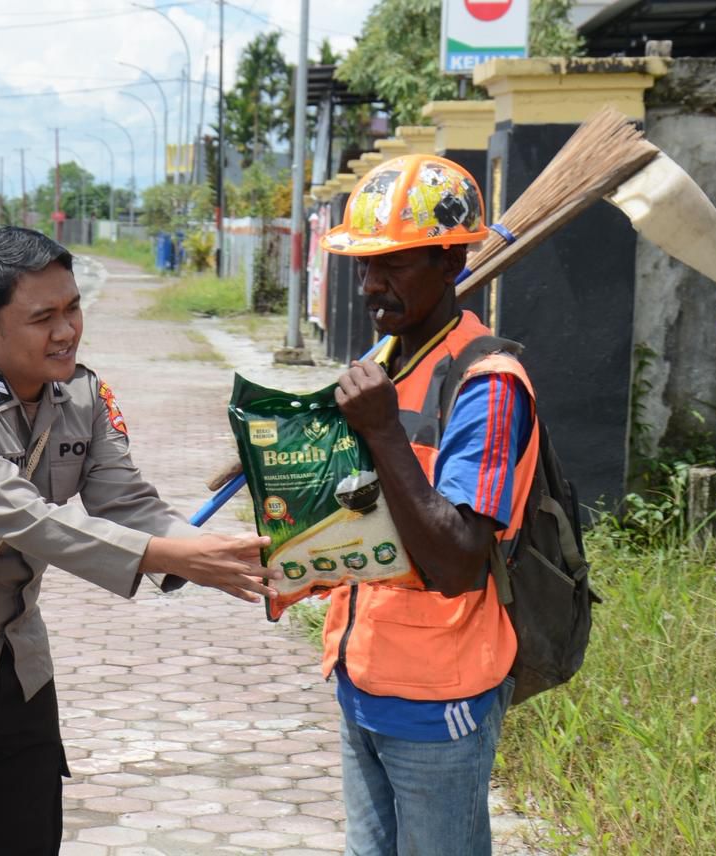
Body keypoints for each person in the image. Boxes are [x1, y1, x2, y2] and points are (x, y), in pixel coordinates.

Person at [0, 225, 277, 855]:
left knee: (29, 838)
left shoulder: (82, 394)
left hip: (19, 664)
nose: (67, 331)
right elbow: (28, 519)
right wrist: (173, 557)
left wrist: (215, 554)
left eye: (73, 308)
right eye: (43, 317)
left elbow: (126, 500)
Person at [318, 155, 540, 856]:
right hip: (361, 674)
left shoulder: (489, 382)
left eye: (396, 264)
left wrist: (380, 428)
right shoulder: (387, 361)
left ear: (450, 263)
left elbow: (457, 562)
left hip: (439, 692)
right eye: (364, 265)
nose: (372, 284)